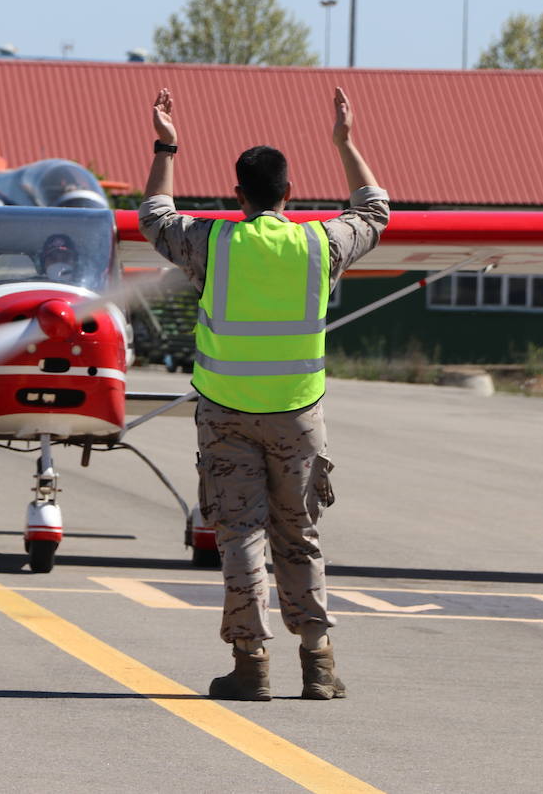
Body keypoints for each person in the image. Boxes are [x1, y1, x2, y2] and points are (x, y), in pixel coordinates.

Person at [138, 86, 389, 702]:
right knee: (298, 534)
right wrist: (345, 142)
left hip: (225, 416)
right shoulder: (319, 243)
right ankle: (319, 664)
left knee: (240, 536)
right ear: (289, 192)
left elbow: (154, 214)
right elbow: (376, 211)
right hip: (299, 416)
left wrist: (166, 143)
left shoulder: (212, 242)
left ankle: (250, 665)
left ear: (237, 193)